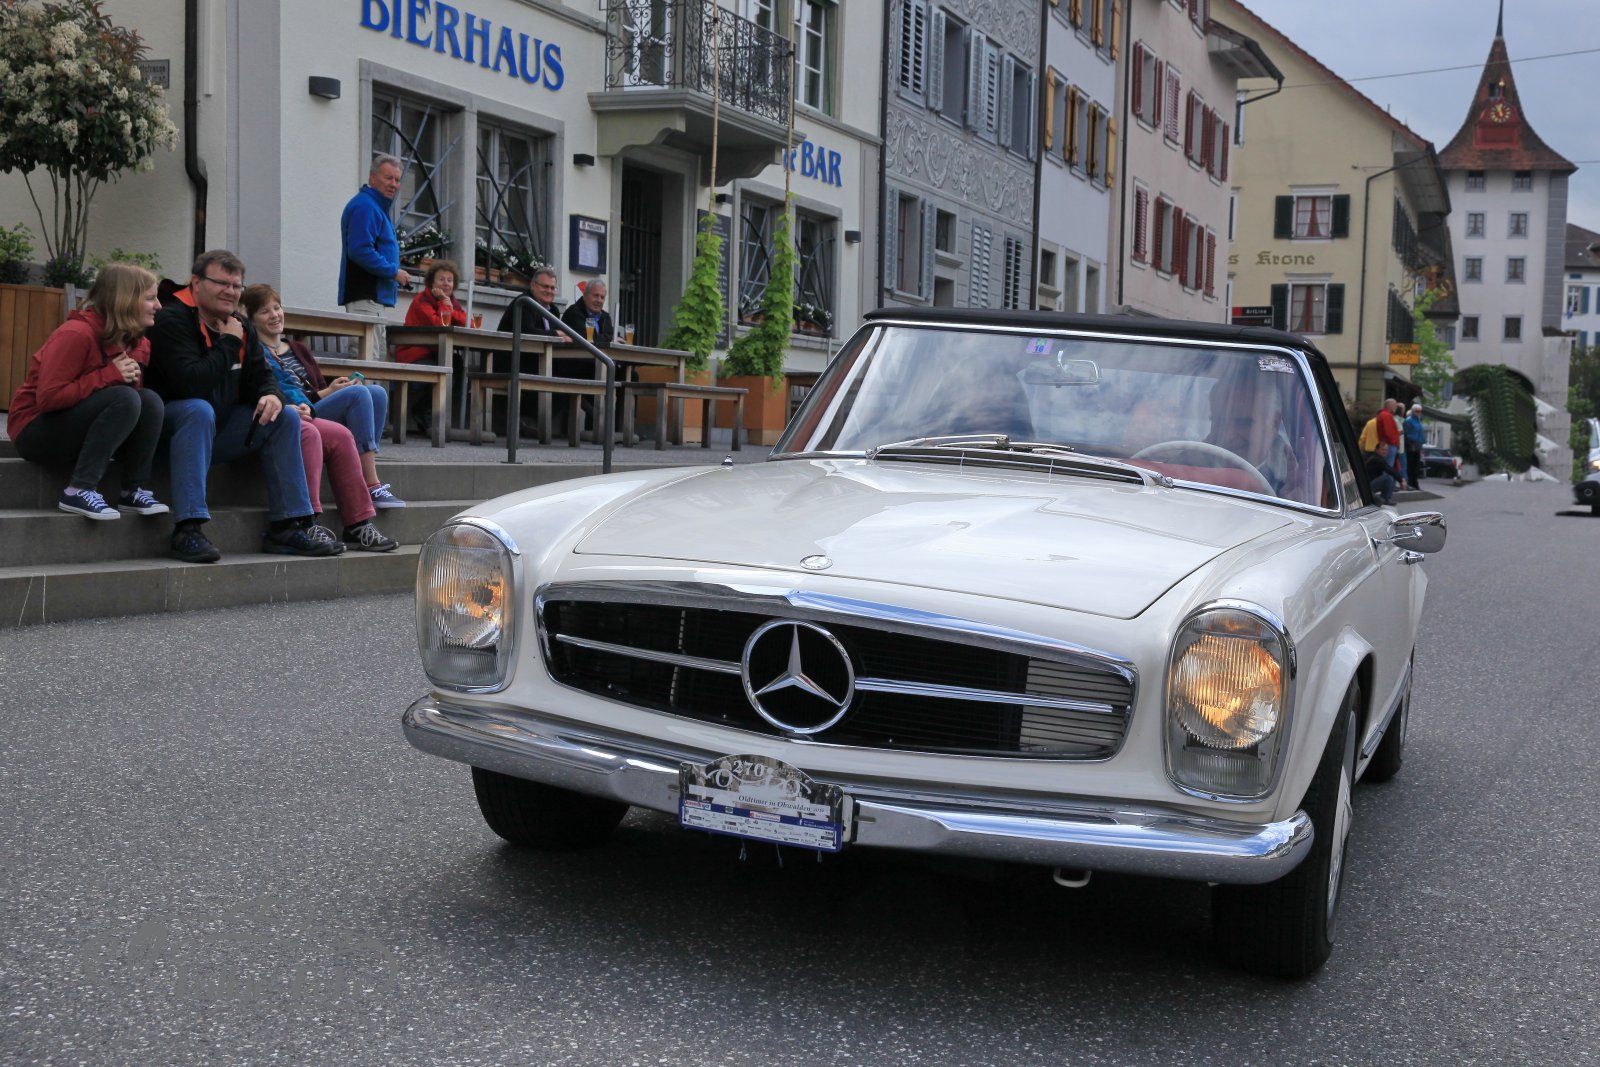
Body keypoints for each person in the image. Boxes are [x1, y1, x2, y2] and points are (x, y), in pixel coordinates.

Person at [145, 249, 340, 563]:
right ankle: (187, 529)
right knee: (198, 409)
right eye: (222, 283)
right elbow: (191, 383)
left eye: (236, 286)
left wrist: (271, 395)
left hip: (216, 431)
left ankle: (287, 527)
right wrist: (229, 343)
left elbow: (262, 377)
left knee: (284, 417)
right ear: (196, 283)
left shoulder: (239, 325)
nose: (231, 292)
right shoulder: (171, 319)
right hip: (166, 437)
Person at [6, 263, 169, 520]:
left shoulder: (136, 341)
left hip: (77, 430)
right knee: (125, 398)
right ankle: (79, 490)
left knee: (150, 401)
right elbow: (49, 398)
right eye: (150, 298)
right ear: (124, 301)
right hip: (34, 431)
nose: (158, 305)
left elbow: (129, 405)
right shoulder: (76, 334)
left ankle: (133, 490)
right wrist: (108, 376)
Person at [242, 288, 399, 553]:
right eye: (265, 311)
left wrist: (330, 389)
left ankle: (357, 524)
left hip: (310, 406)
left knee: (376, 393)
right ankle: (360, 491)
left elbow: (313, 388)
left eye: (277, 308)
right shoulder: (256, 351)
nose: (274, 315)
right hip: (289, 411)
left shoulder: (297, 348)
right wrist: (320, 397)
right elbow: (269, 389)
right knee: (355, 403)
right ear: (251, 319)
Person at [339, 153, 412, 353]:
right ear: (372, 178)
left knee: (372, 361)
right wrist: (393, 272)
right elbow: (360, 250)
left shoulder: (374, 207)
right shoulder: (366, 206)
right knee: (366, 361)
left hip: (371, 300)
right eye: (388, 178)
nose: (394, 184)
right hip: (366, 297)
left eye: (397, 180)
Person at [394, 260, 467, 435]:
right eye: (441, 279)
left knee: (459, 368)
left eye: (450, 280)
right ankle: (427, 415)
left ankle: (428, 414)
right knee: (446, 370)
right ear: (431, 283)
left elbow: (468, 323)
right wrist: (444, 303)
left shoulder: (452, 301)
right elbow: (440, 323)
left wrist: (450, 307)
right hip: (414, 356)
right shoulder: (422, 300)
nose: (446, 283)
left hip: (435, 353)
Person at [495, 267, 563, 435]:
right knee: (555, 374)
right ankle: (526, 422)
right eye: (545, 286)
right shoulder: (524, 303)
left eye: (552, 288)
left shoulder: (553, 310)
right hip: (513, 361)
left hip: (538, 361)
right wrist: (556, 334)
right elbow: (527, 332)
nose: (549, 291)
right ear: (533, 285)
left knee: (568, 373)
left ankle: (532, 422)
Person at [560, 279, 615, 348]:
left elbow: (610, 335)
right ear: (585, 296)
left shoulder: (605, 316)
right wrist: (608, 339)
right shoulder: (574, 312)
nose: (599, 300)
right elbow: (586, 338)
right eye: (595, 296)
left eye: (602, 297)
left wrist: (614, 338)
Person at [1403, 403, 1426, 490]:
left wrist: (1422, 441)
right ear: (1413, 411)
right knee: (1410, 465)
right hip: (1411, 445)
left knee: (1416, 466)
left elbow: (1420, 433)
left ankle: (1414, 483)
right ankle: (1411, 483)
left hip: (1418, 445)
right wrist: (1409, 442)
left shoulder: (1419, 421)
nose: (1418, 413)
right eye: (1417, 411)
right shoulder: (1408, 421)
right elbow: (1406, 434)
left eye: (1420, 411)